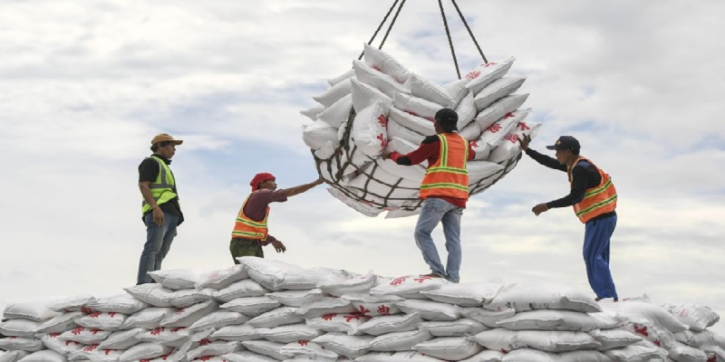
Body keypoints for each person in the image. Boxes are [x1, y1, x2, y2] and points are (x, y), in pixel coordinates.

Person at [519, 134, 619, 301]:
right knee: (597, 256)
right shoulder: (576, 164)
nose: (555, 155)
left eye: (557, 151)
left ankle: (607, 295)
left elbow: (575, 197)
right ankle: (607, 294)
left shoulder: (580, 168)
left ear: (567, 152)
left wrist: (547, 206)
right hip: (602, 217)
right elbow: (549, 162)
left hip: (600, 218)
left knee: (592, 256)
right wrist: (528, 151)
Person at [384, 108, 476, 283]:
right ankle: (453, 277)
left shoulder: (435, 141)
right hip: (459, 199)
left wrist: (391, 155)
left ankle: (437, 271)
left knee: (422, 233)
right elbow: (471, 155)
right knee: (453, 240)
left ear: (437, 123)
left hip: (438, 196)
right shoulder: (464, 143)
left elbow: (409, 160)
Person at [229, 173, 324, 263]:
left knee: (257, 273)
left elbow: (255, 230)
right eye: (272, 181)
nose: (276, 184)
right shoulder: (261, 194)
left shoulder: (259, 200)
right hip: (243, 244)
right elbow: (289, 191)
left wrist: (272, 240)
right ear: (263, 183)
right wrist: (315, 183)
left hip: (251, 243)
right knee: (251, 273)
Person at [137, 133, 185, 285]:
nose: (174, 150)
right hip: (159, 212)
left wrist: (175, 223)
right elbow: (144, 185)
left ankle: (153, 283)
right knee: (153, 248)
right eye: (171, 146)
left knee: (161, 253)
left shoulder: (164, 166)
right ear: (160, 146)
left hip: (171, 214)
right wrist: (155, 207)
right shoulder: (151, 162)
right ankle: (143, 283)